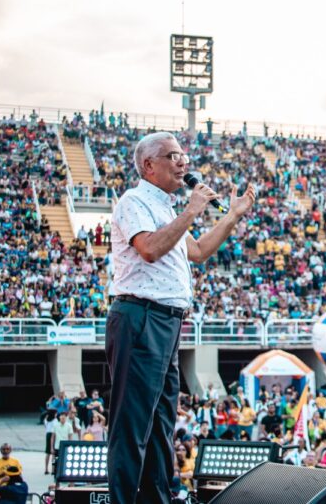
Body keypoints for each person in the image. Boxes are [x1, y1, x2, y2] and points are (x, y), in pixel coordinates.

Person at [106, 132, 256, 503]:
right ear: (149, 166)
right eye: (172, 156)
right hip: (141, 318)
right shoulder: (134, 201)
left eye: (184, 155)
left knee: (160, 426)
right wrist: (192, 210)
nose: (183, 162)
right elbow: (150, 249)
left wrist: (232, 216)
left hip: (167, 323)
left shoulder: (168, 208)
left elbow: (200, 250)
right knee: (132, 424)